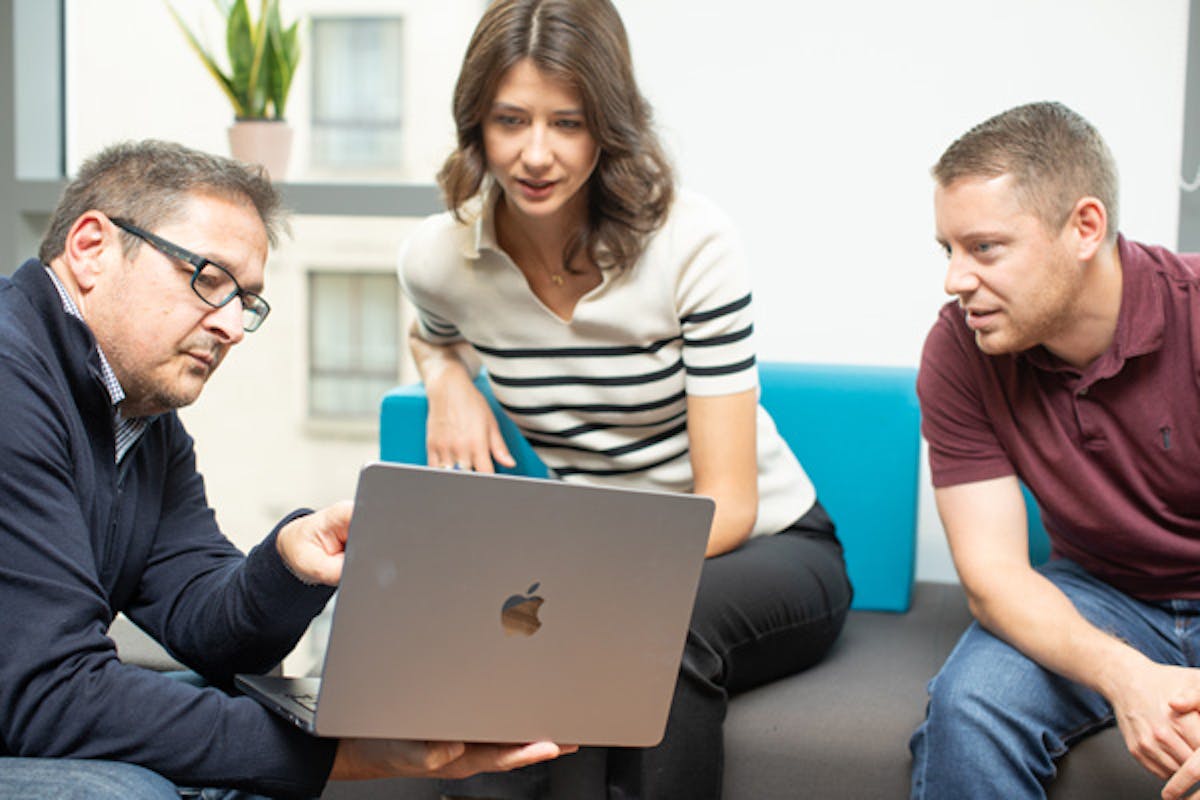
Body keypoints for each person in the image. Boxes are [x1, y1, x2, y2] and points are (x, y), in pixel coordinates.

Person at [0, 140, 573, 800]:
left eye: (244, 300)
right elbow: (54, 697)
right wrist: (347, 756)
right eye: (208, 279)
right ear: (92, 247)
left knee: (244, 723)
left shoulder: (142, 420)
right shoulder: (14, 375)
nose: (231, 326)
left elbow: (204, 624)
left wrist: (290, 563)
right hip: (32, 711)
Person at [397, 1, 853, 798]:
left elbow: (730, 503)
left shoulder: (691, 245)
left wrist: (589, 583)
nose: (536, 155)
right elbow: (434, 332)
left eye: (567, 123)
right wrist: (446, 380)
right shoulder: (441, 259)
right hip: (596, 556)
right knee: (495, 658)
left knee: (645, 630)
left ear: (608, 125)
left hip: (764, 548)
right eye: (510, 120)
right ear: (476, 123)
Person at [909, 100, 1200, 800]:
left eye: (984, 248)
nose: (954, 279)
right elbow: (994, 578)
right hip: (1104, 592)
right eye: (947, 250)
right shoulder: (960, 349)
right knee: (970, 707)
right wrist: (1125, 673)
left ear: (1085, 228)